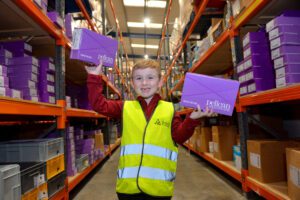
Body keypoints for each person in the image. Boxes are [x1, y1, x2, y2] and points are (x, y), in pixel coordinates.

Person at [86, 59, 215, 200]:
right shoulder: (125, 107)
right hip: (128, 188)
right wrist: (94, 76)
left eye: (150, 77)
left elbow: (179, 137)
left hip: (158, 189)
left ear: (160, 82)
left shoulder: (170, 110)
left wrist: (193, 119)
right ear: (133, 83)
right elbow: (98, 104)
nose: (144, 83)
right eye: (139, 78)